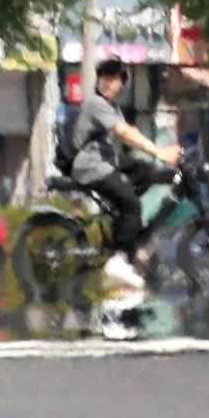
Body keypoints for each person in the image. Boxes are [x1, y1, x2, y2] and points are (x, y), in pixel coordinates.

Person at [69, 59, 181, 289]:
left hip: (107, 160)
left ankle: (127, 231)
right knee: (132, 205)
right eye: (105, 77)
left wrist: (165, 153)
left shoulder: (112, 107)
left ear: (123, 83)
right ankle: (118, 258)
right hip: (92, 165)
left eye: (114, 78)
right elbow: (123, 133)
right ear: (99, 80)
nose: (109, 83)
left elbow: (129, 130)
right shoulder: (96, 104)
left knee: (148, 172)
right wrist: (158, 151)